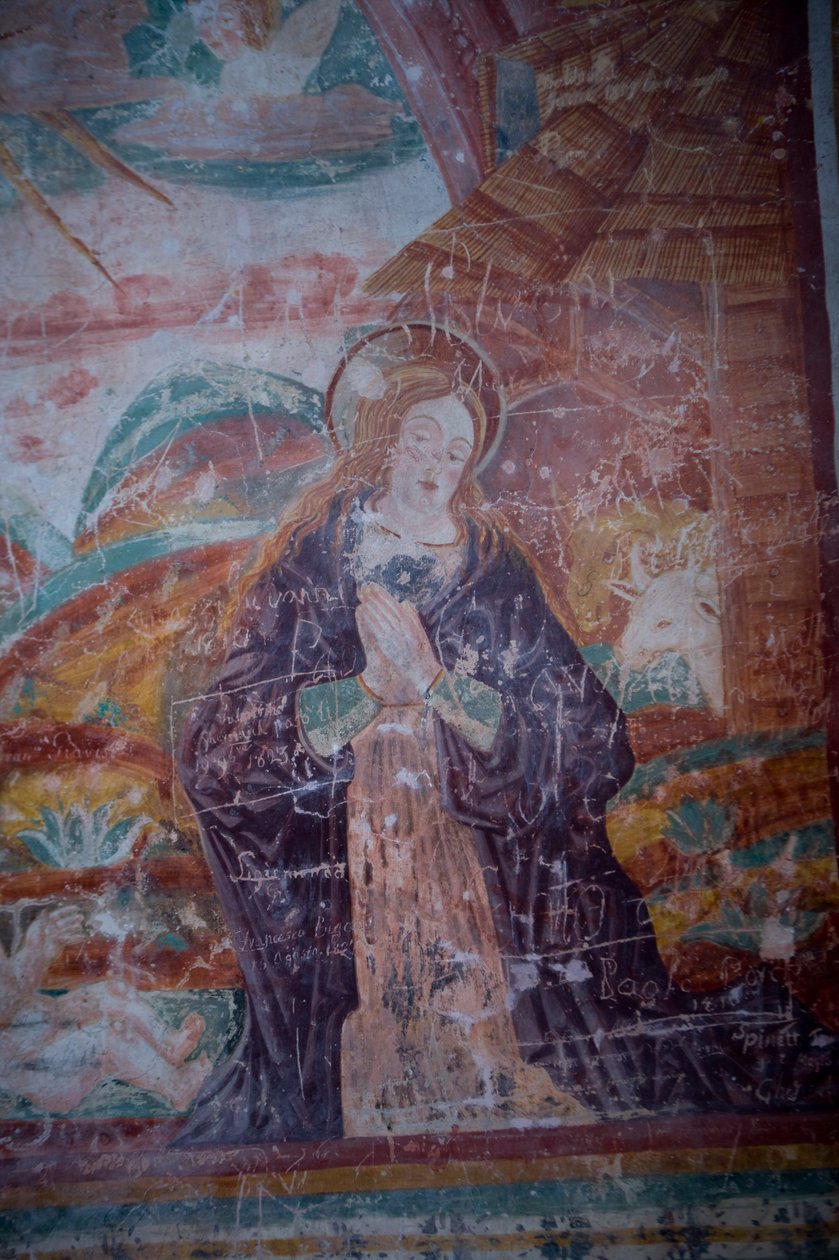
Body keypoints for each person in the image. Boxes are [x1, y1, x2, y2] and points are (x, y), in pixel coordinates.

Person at [175, 326, 837, 1146]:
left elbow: (586, 733)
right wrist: (368, 691)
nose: (436, 466)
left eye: (456, 451)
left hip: (482, 861)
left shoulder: (494, 572)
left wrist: (440, 689)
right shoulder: (311, 564)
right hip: (354, 857)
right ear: (383, 440)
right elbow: (223, 746)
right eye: (422, 439)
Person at [0, 904, 211, 1114]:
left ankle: (168, 1044)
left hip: (37, 1032)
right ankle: (174, 1086)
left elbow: (11, 989)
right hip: (39, 1071)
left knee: (113, 990)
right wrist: (58, 1014)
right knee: (109, 1035)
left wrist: (37, 947)